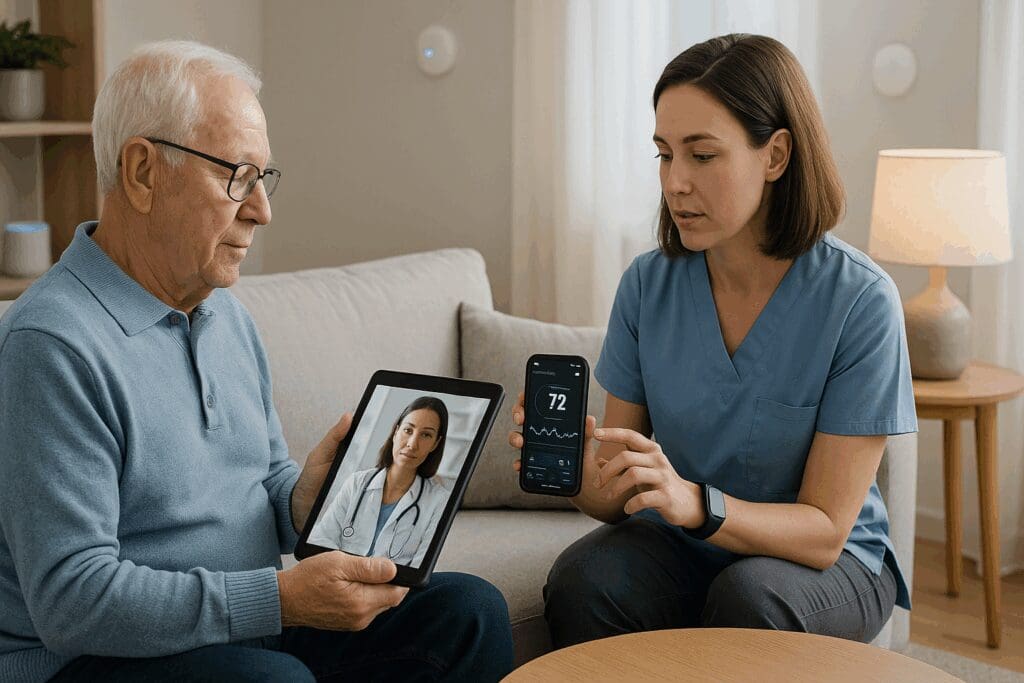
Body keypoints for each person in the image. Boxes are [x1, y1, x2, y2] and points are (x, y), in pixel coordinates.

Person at [0, 40, 512, 682]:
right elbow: (72, 602)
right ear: (142, 173)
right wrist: (280, 599)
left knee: (469, 611)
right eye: (236, 176)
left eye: (263, 179)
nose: (262, 210)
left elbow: (260, 483)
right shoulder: (51, 343)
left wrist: (305, 502)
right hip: (91, 658)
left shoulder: (224, 315)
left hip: (242, 632)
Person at [509, 33, 917, 648]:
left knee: (748, 597)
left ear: (775, 156)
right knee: (583, 577)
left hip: (828, 564)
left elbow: (826, 529)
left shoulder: (860, 300)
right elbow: (621, 492)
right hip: (687, 540)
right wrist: (570, 474)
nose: (675, 182)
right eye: (664, 155)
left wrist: (696, 504)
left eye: (701, 156)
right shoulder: (648, 285)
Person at [310, 397, 455, 567]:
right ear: (396, 432)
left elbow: (420, 567)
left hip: (394, 589)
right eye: (408, 430)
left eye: (426, 435)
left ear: (435, 444)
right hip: (338, 577)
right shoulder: (358, 482)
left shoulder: (439, 500)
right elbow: (321, 539)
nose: (412, 444)